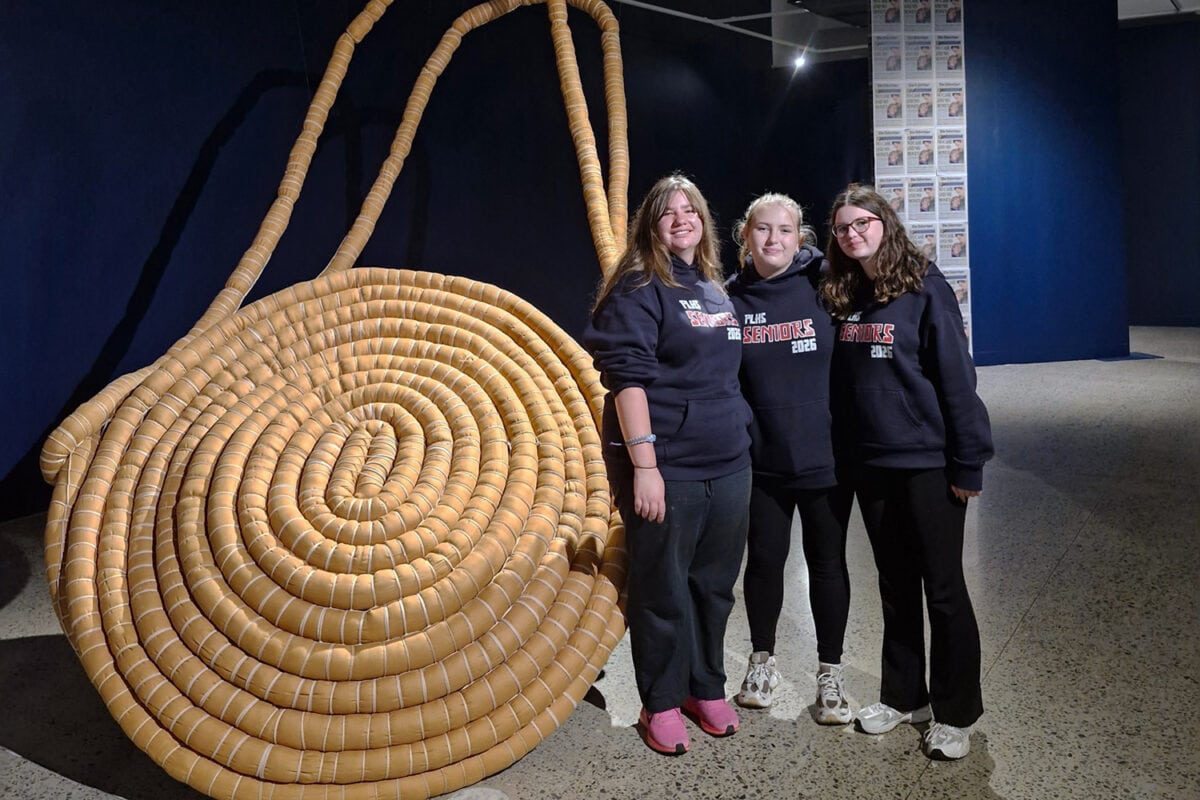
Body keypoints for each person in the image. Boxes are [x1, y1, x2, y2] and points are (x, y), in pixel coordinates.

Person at [821, 184, 993, 761]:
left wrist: (968, 461)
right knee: (894, 586)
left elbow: (957, 380)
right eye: (842, 228)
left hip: (927, 464)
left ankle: (956, 712)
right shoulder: (847, 293)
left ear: (885, 224)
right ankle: (903, 696)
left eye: (862, 223)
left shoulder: (924, 286)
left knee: (943, 589)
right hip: (872, 467)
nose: (852, 234)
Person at [584, 173, 752, 756]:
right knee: (662, 590)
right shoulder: (637, 286)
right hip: (668, 466)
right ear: (650, 226)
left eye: (691, 210)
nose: (682, 220)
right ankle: (660, 700)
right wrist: (646, 468)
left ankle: (705, 688)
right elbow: (626, 382)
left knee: (714, 586)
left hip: (728, 461)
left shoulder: (712, 287)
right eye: (668, 212)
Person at [725, 193, 854, 724]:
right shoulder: (730, 298)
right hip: (764, 464)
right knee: (764, 564)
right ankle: (762, 663)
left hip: (826, 459)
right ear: (745, 235)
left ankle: (831, 673)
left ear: (800, 237)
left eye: (784, 230)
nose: (773, 239)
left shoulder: (826, 284)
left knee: (827, 565)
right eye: (762, 229)